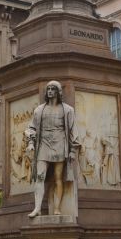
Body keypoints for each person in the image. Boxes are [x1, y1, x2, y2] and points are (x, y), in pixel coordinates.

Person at [25, 81, 78, 217]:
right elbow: (31, 127)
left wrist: (72, 150)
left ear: (58, 92)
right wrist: (31, 142)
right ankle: (37, 208)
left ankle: (57, 208)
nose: (49, 91)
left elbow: (73, 131)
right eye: (48, 89)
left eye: (52, 89)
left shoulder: (67, 110)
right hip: (43, 145)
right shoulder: (39, 110)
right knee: (39, 176)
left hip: (60, 144)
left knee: (58, 177)